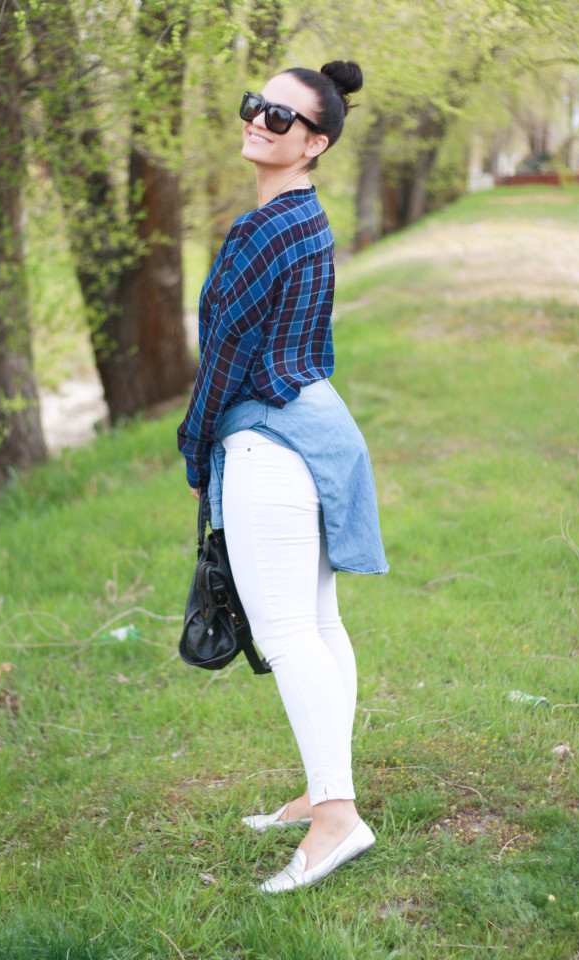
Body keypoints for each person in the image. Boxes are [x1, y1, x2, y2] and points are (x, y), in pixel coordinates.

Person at [177, 60, 388, 893]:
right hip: (308, 427)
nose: (259, 120)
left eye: (281, 115)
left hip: (268, 444)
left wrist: (198, 450)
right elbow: (311, 347)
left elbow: (224, 359)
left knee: (289, 631)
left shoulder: (266, 231)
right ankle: (324, 791)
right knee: (318, 622)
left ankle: (337, 820)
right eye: (254, 105)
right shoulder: (307, 222)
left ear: (315, 143)